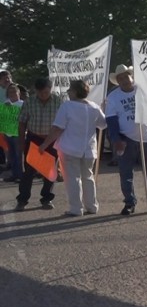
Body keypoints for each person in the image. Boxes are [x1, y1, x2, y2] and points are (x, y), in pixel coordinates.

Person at [38, 80, 106, 216]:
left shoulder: (67, 106)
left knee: (72, 179)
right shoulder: (94, 107)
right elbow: (103, 125)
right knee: (88, 177)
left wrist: (45, 144)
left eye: (70, 89)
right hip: (88, 149)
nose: (68, 92)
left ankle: (76, 208)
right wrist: (103, 109)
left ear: (75, 91)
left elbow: (57, 128)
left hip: (69, 148)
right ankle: (92, 206)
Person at [105, 64, 147, 216]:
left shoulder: (143, 90)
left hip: (145, 137)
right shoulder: (113, 97)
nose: (124, 80)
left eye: (126, 76)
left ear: (131, 76)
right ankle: (129, 203)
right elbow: (111, 120)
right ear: (117, 81)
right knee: (126, 173)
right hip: (126, 139)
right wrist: (116, 139)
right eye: (120, 78)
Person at [15, 77, 62, 211]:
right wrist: (21, 141)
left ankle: (46, 198)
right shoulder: (29, 101)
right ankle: (22, 199)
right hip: (33, 138)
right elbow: (22, 122)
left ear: (50, 89)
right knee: (29, 170)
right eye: (40, 92)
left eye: (46, 92)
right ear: (35, 90)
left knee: (50, 170)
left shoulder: (59, 101)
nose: (43, 95)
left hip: (51, 139)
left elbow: (63, 123)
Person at [3, 84, 24, 183]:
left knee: (19, 156)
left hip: (18, 133)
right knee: (12, 156)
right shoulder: (6, 104)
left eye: (14, 91)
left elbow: (23, 119)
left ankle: (21, 175)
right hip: (8, 133)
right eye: (10, 92)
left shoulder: (22, 104)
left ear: (18, 93)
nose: (12, 94)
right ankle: (14, 174)